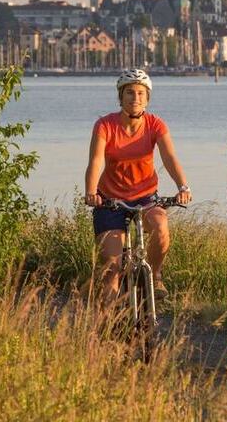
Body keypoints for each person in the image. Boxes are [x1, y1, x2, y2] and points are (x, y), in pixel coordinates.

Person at [84, 69, 192, 305]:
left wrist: (183, 186)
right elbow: (95, 161)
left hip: (145, 196)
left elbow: (169, 157)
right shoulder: (105, 125)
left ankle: (154, 274)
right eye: (130, 93)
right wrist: (91, 192)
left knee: (161, 226)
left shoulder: (155, 124)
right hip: (110, 200)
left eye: (141, 93)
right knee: (112, 269)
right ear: (120, 97)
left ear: (148, 98)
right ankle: (105, 329)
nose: (136, 98)